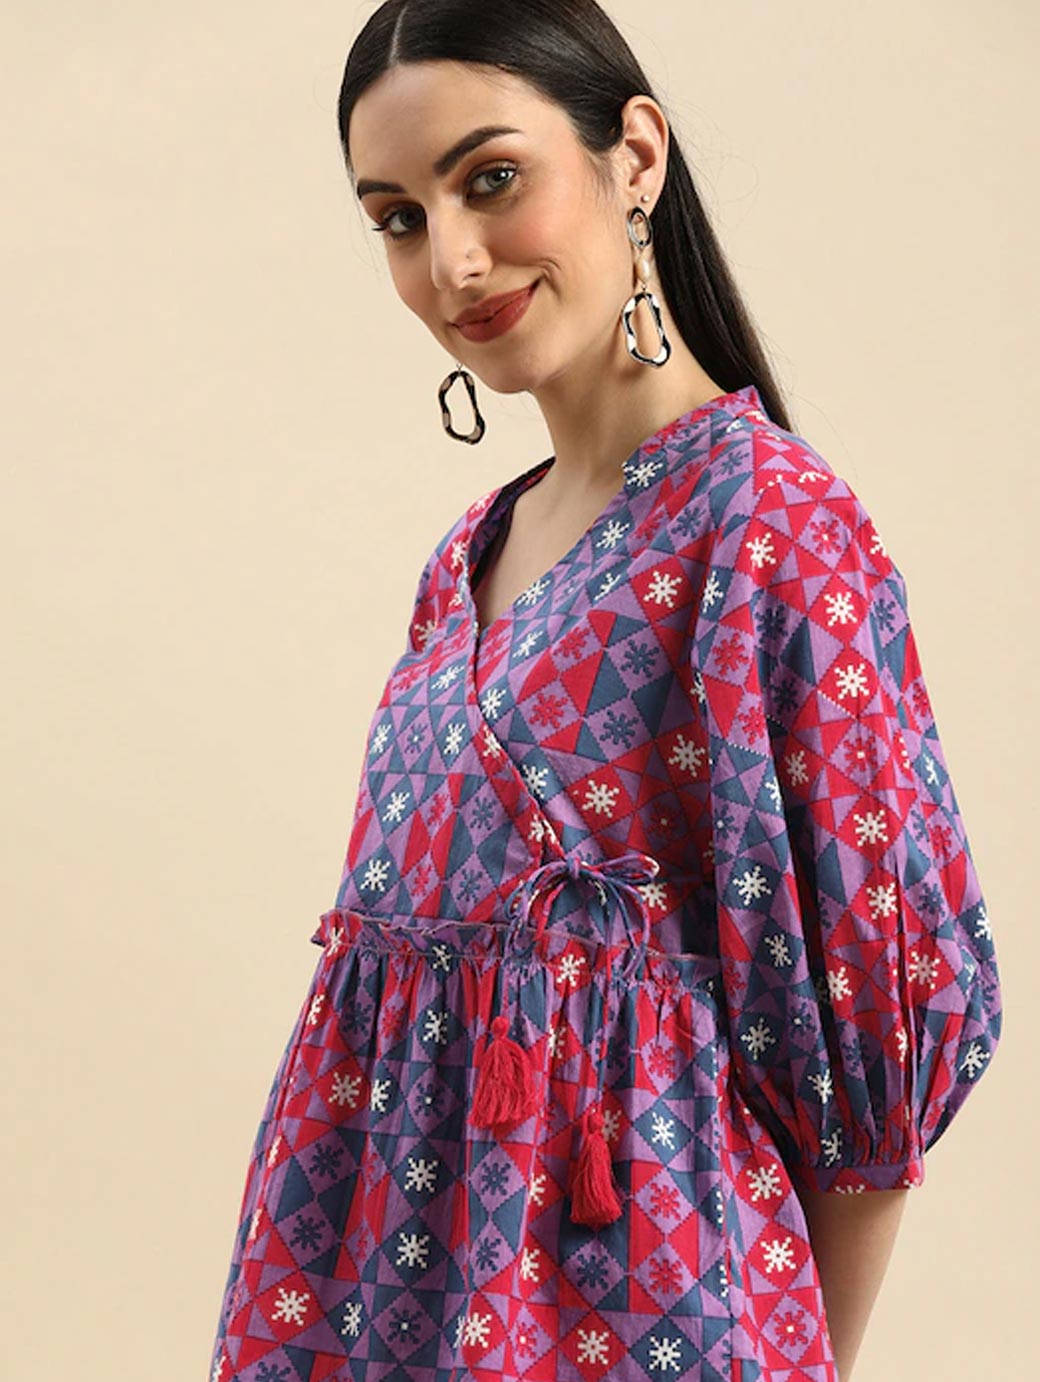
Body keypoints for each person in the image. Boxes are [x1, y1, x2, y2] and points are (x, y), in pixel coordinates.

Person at [208, 3, 1003, 1379]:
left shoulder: (768, 528)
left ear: (635, 155)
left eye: (490, 178)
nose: (451, 261)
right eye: (397, 218)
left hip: (633, 1325)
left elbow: (870, 1052)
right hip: (364, 1303)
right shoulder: (466, 557)